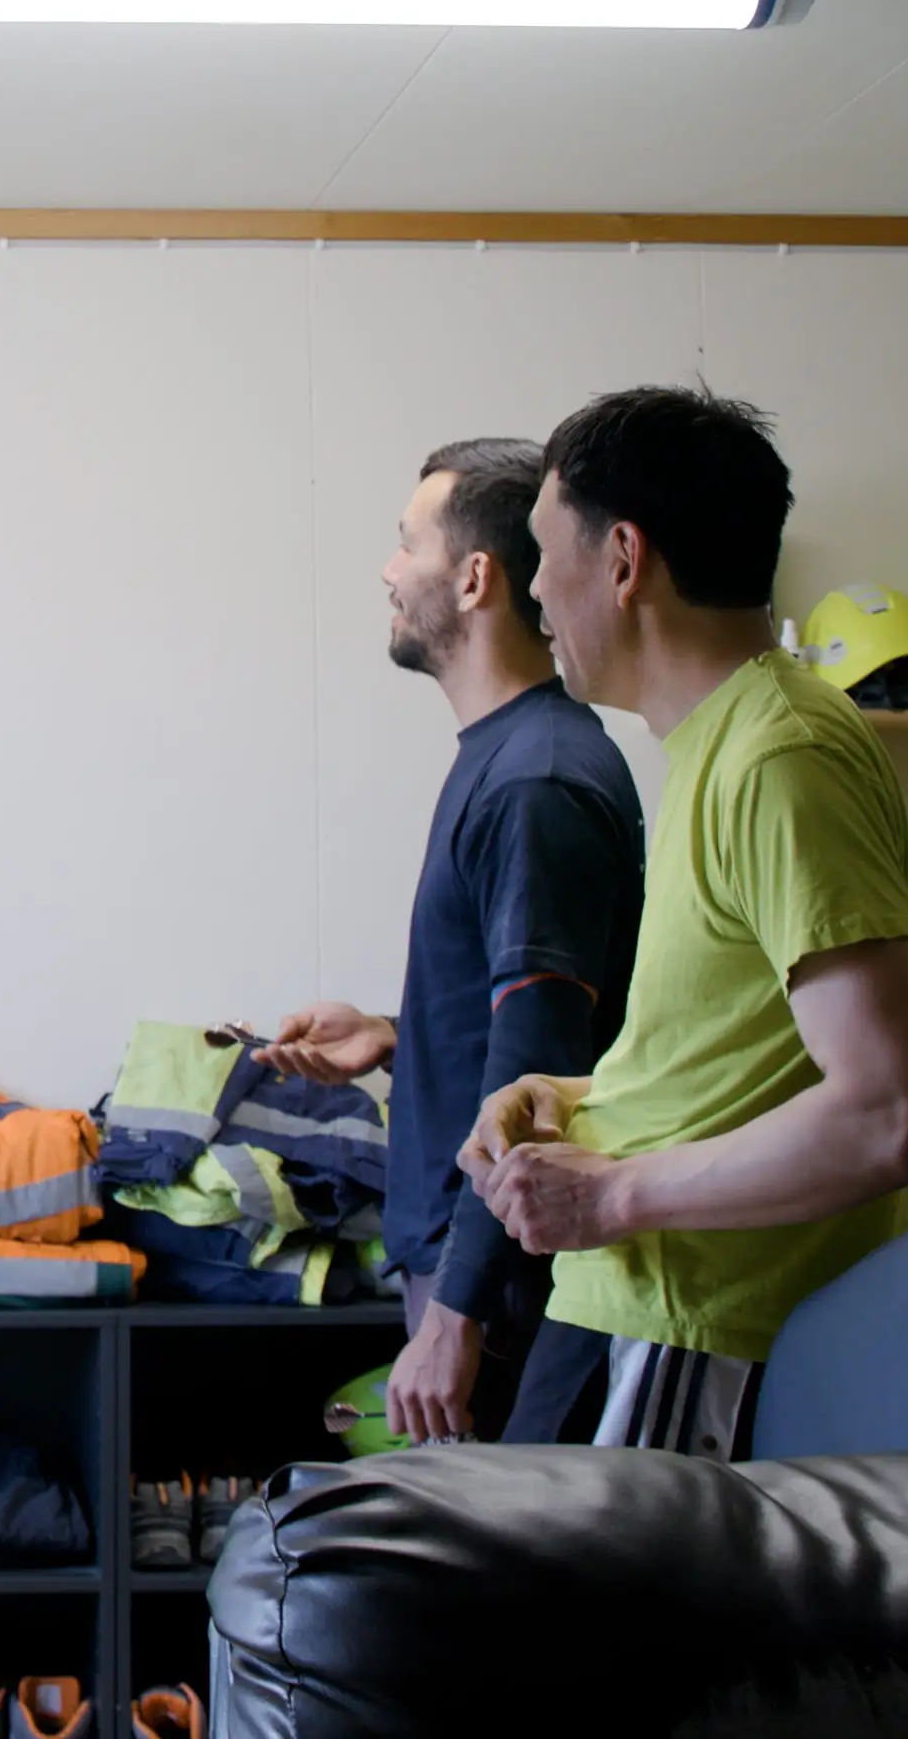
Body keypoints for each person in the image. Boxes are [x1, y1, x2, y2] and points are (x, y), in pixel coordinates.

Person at [467, 386, 908, 1457]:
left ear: (623, 557)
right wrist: (565, 1096)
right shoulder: (715, 745)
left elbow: (901, 1116)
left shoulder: (781, 757)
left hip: (697, 1334)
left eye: (546, 553)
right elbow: (734, 1064)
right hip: (640, 1311)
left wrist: (612, 1197)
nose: (537, 591)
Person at [258, 440, 644, 1442]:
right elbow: (524, 1005)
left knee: (496, 1589)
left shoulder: (534, 783)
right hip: (473, 1270)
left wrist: (460, 1313)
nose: (389, 571)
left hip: (503, 1290)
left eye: (407, 544)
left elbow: (542, 1066)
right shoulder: (509, 760)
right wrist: (396, 1034)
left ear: (475, 578)